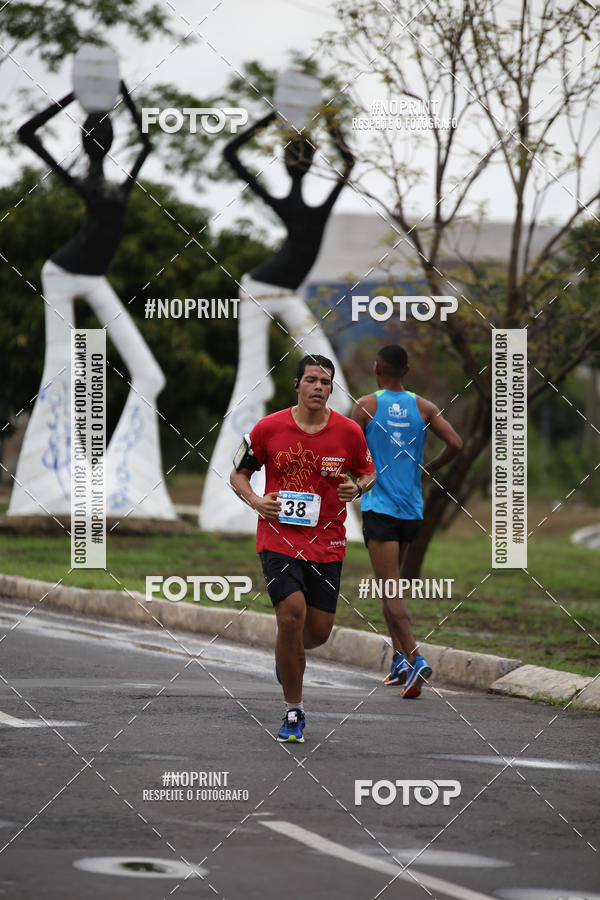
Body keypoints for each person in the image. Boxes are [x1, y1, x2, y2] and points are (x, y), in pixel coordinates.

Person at [9, 81, 174, 519]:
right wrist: (75, 94)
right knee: (64, 369)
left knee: (149, 374)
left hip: (93, 277)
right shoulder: (84, 182)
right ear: (85, 140)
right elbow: (27, 133)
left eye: (107, 131)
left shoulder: (120, 182)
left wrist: (121, 91)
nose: (103, 136)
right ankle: (46, 487)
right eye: (95, 132)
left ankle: (124, 483)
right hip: (62, 274)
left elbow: (148, 142)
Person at [230, 354, 376, 742]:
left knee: (318, 633)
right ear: (296, 385)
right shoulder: (269, 428)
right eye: (311, 380)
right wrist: (257, 501)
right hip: (278, 538)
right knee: (291, 615)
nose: (318, 387)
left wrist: (357, 488)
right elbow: (238, 474)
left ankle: (287, 654)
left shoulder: (348, 432)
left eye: (325, 382)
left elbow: (368, 472)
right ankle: (293, 711)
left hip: (327, 542)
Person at [352, 345, 463, 699]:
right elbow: (456, 443)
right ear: (407, 370)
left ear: (377, 368)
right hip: (412, 511)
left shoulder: (366, 406)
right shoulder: (424, 407)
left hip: (380, 508)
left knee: (389, 589)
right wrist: (428, 469)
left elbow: (347, 447)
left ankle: (416, 658)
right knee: (390, 585)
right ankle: (399, 660)